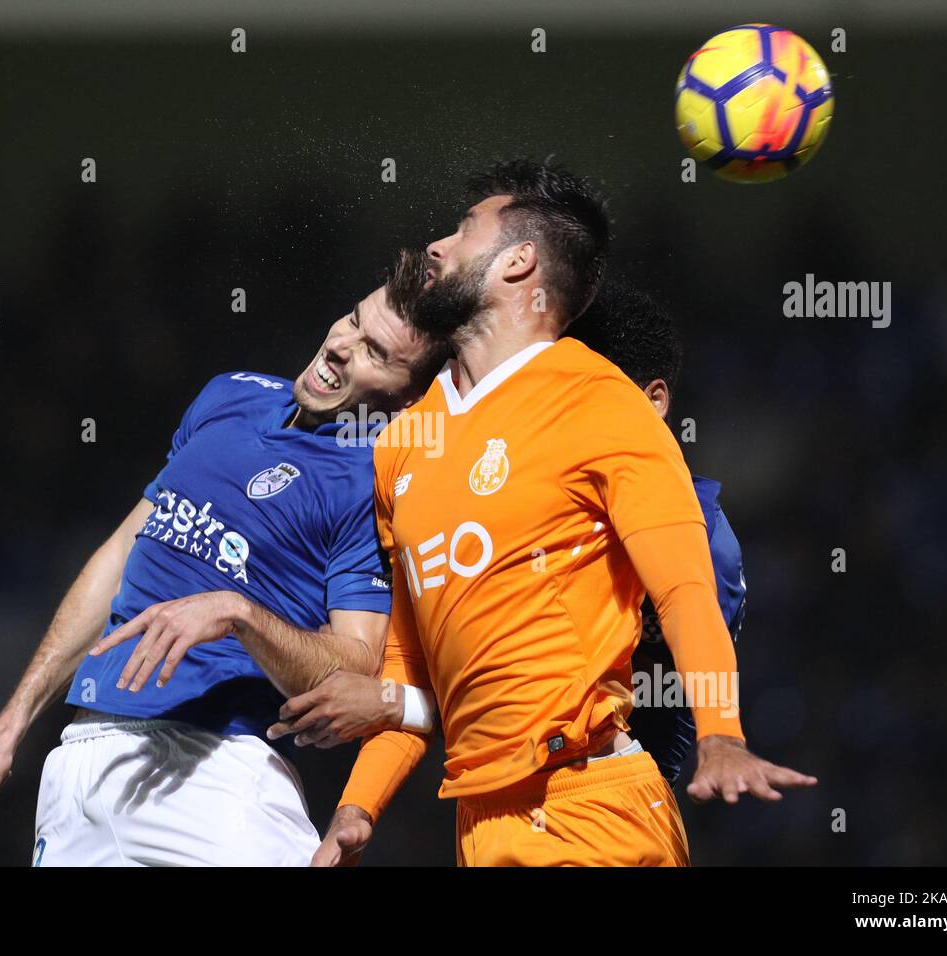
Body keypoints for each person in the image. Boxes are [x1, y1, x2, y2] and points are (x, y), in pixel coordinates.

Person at [310, 159, 816, 866]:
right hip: (479, 825)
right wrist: (355, 810)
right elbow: (407, 668)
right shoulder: (403, 443)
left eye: (463, 231)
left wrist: (721, 734)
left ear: (519, 262)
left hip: (589, 807)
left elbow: (684, 589)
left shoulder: (601, 404)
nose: (437, 246)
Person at [0, 271, 447, 866]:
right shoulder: (229, 394)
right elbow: (122, 554)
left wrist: (238, 614)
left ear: (408, 396)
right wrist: (9, 729)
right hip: (80, 765)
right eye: (355, 320)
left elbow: (356, 666)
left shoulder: (371, 479)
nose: (341, 343)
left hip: (216, 775)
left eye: (375, 352)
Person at [270, 279, 748, 786]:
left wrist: (393, 703)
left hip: (603, 789)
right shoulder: (456, 478)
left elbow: (644, 713)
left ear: (651, 402)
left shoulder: (703, 551)